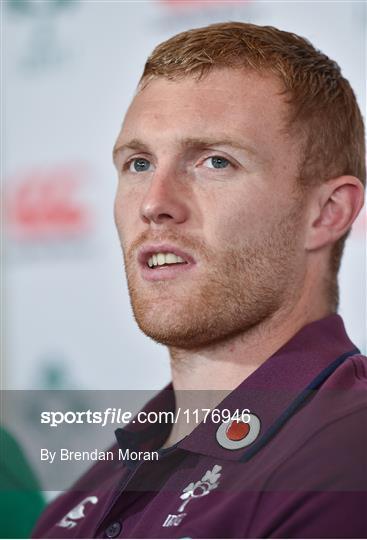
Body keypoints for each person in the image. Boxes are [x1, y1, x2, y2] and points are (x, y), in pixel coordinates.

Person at [33, 22, 366, 539]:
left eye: (215, 161)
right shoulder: (98, 481)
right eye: (139, 163)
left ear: (326, 213)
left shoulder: (347, 456)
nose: (154, 203)